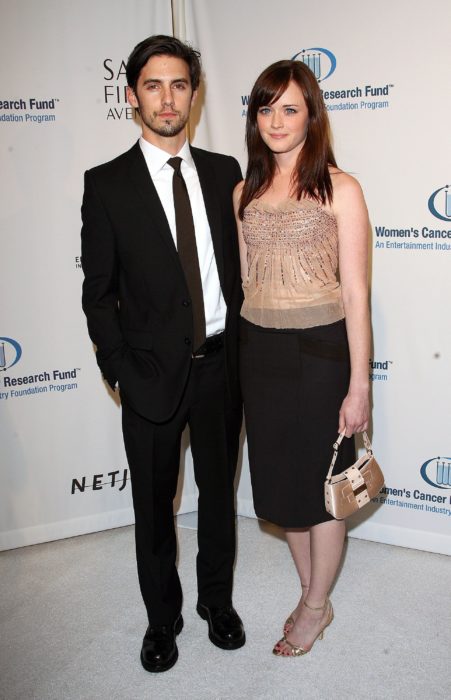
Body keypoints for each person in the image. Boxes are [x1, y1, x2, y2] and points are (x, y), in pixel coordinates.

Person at [81, 35, 245, 673]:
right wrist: (116, 366)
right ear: (132, 96)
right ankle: (162, 618)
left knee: (218, 497)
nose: (167, 98)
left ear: (194, 95)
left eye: (179, 85)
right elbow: (98, 294)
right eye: (153, 85)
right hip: (147, 375)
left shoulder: (226, 171)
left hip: (221, 368)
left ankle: (217, 603)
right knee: (153, 507)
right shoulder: (107, 185)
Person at [233, 60, 370, 657]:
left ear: (312, 115)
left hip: (322, 354)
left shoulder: (341, 188)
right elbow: (245, 285)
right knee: (281, 487)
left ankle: (315, 607)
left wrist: (358, 383)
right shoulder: (244, 192)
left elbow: (357, 293)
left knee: (320, 488)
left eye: (290, 108)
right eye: (265, 109)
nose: (276, 121)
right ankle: (314, 591)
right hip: (258, 351)